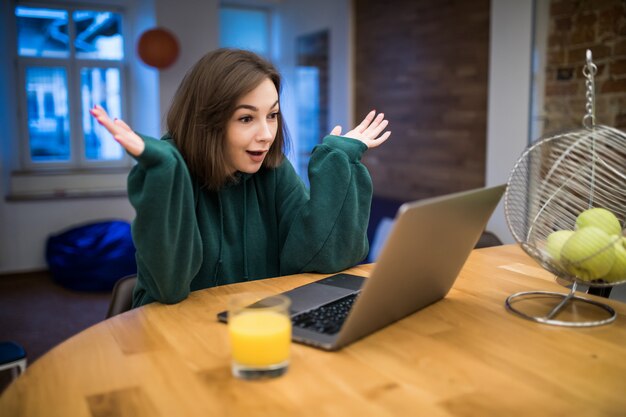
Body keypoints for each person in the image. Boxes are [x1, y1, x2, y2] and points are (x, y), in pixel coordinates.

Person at [91, 48, 391, 307]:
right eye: (246, 118)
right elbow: (168, 289)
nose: (266, 135)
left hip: (258, 324)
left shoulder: (273, 170)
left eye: (272, 115)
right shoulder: (174, 171)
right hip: (177, 335)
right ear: (207, 122)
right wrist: (165, 173)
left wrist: (337, 161)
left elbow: (323, 257)